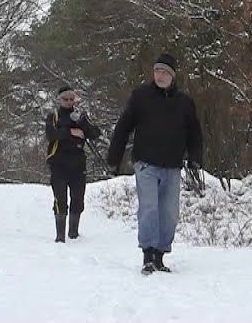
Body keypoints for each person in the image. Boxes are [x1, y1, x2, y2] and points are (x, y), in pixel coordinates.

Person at [105, 53, 204, 274]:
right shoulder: (141, 96)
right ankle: (148, 255)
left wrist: (196, 157)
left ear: (173, 76)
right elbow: (123, 128)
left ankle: (160, 255)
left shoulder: (184, 102)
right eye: (157, 71)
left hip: (172, 165)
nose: (159, 75)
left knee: (169, 213)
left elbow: (195, 133)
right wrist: (114, 160)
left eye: (164, 72)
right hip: (146, 164)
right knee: (149, 208)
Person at [44, 85, 100, 242]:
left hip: (78, 162)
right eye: (65, 99)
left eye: (71, 99)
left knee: (78, 198)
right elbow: (51, 135)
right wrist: (70, 132)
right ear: (59, 100)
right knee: (60, 199)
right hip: (58, 163)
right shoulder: (53, 116)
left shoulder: (80, 115)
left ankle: (73, 234)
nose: (69, 102)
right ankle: (60, 236)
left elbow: (94, 133)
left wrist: (84, 125)